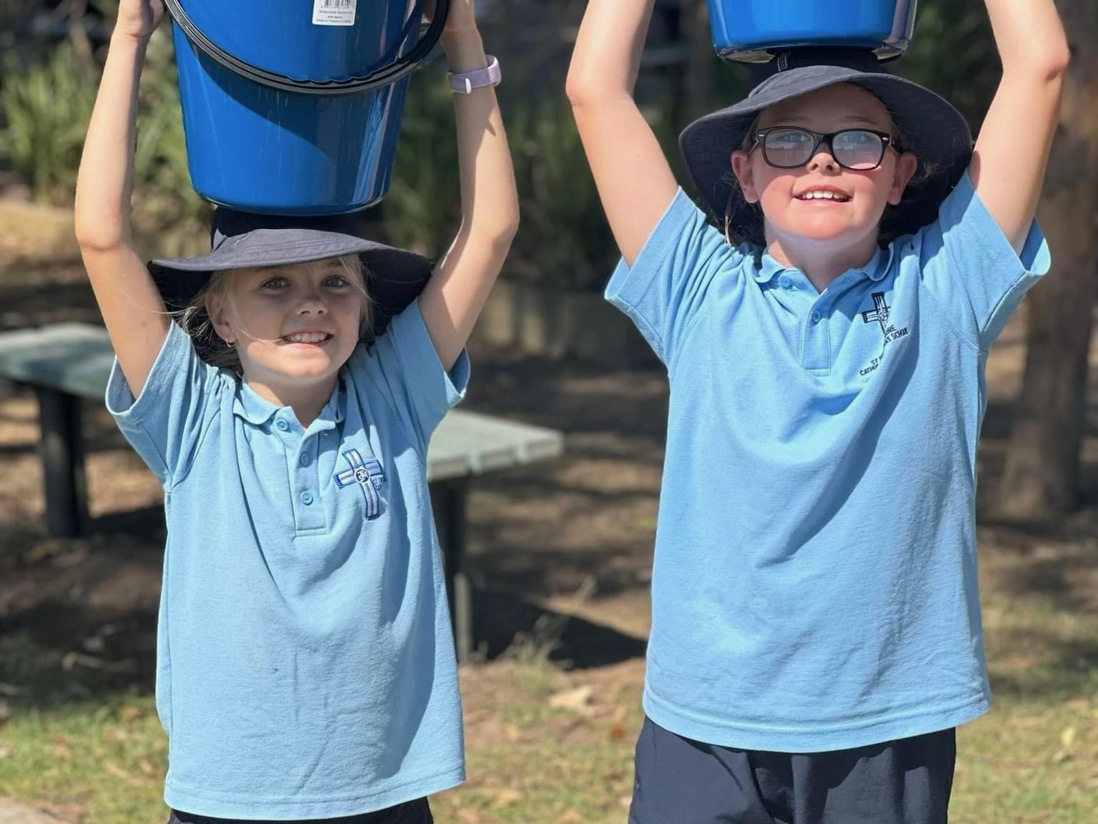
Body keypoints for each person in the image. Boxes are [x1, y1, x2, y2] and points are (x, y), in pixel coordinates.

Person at [566, 0, 1067, 821]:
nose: (824, 164)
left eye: (859, 141)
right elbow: (596, 89)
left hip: (887, 720)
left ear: (902, 173)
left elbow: (1040, 63)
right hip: (707, 723)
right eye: (788, 140)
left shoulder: (948, 285)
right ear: (747, 173)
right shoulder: (697, 290)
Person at [73, 0, 517, 819]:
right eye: (273, 283)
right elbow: (103, 237)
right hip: (228, 800)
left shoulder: (393, 398)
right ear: (222, 316)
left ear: (365, 307)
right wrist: (133, 34)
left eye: (334, 283)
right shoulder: (191, 418)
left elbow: (488, 230)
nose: (311, 304)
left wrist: (463, 44)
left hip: (383, 795)